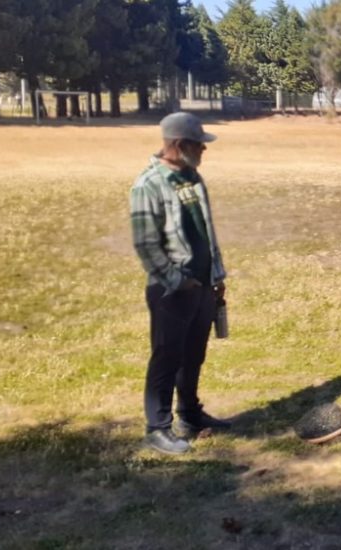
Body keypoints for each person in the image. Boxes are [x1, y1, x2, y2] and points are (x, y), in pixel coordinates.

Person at [130, 112, 231, 455]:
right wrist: (177, 281)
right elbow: (146, 245)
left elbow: (207, 230)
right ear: (178, 144)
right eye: (199, 144)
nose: (204, 149)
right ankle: (157, 427)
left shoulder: (192, 177)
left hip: (202, 285)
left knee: (193, 355)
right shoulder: (148, 185)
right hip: (171, 290)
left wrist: (216, 276)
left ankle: (190, 414)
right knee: (166, 357)